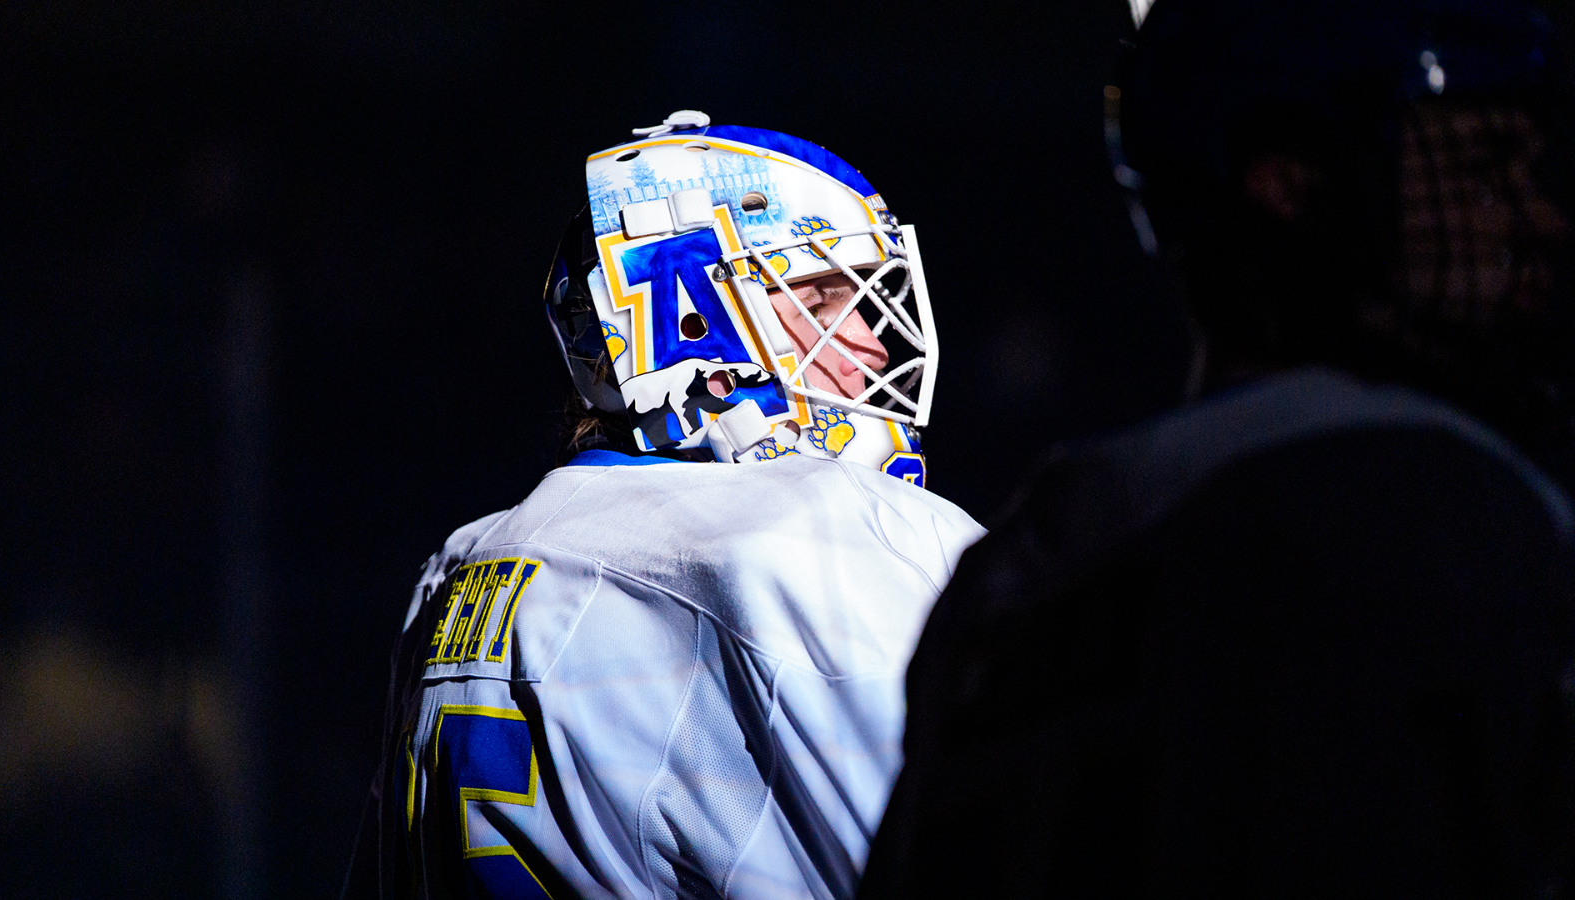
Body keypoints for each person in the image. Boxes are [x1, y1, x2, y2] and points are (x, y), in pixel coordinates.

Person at [859, 1, 1575, 897]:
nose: (1538, 217)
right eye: (1482, 166)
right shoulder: (1421, 496)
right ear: (1292, 184)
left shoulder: (1026, 553)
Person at [342, 111, 983, 900]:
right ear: (691, 325)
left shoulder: (459, 567)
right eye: (819, 305)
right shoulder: (814, 534)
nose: (874, 345)